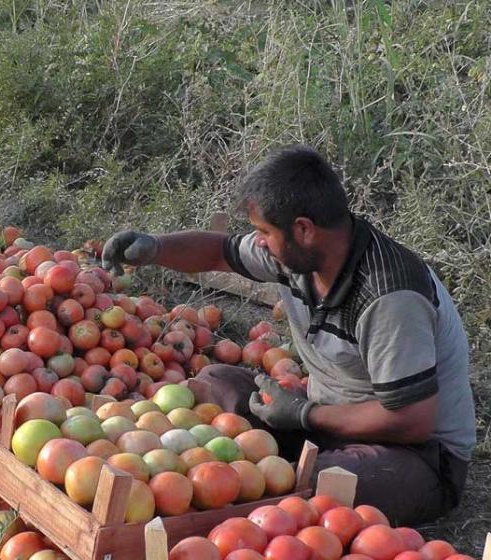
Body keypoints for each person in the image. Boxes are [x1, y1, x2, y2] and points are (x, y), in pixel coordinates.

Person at [102, 145, 475, 525]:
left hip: (415, 453)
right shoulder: (295, 255)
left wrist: (305, 414)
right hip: (325, 422)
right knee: (215, 382)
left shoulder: (389, 296)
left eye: (264, 231)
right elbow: (218, 252)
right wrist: (155, 248)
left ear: (303, 229)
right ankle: (278, 463)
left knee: (311, 488)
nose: (258, 241)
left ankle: (288, 474)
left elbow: (412, 420)